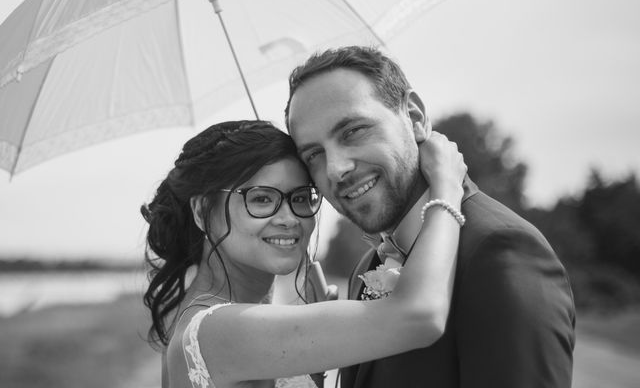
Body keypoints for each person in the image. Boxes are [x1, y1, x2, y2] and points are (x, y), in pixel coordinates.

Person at [285, 46, 576, 388]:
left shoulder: (499, 251)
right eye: (314, 154)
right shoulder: (368, 266)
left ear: (415, 117)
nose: (336, 169)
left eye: (353, 131)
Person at [142, 119, 467, 388]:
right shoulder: (215, 330)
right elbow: (418, 316)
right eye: (261, 198)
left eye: (300, 198)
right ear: (201, 212)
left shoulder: (219, 320)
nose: (289, 219)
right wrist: (446, 189)